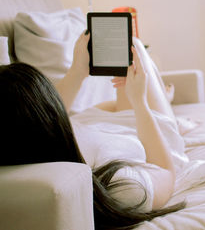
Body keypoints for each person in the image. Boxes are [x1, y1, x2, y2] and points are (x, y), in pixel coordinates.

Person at [0, 30, 185, 230]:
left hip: (92, 124)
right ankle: (164, 100)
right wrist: (140, 102)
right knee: (133, 45)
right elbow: (166, 171)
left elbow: (43, 115)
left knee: (125, 85)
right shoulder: (116, 187)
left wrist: (77, 71)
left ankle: (159, 97)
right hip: (143, 129)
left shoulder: (27, 144)